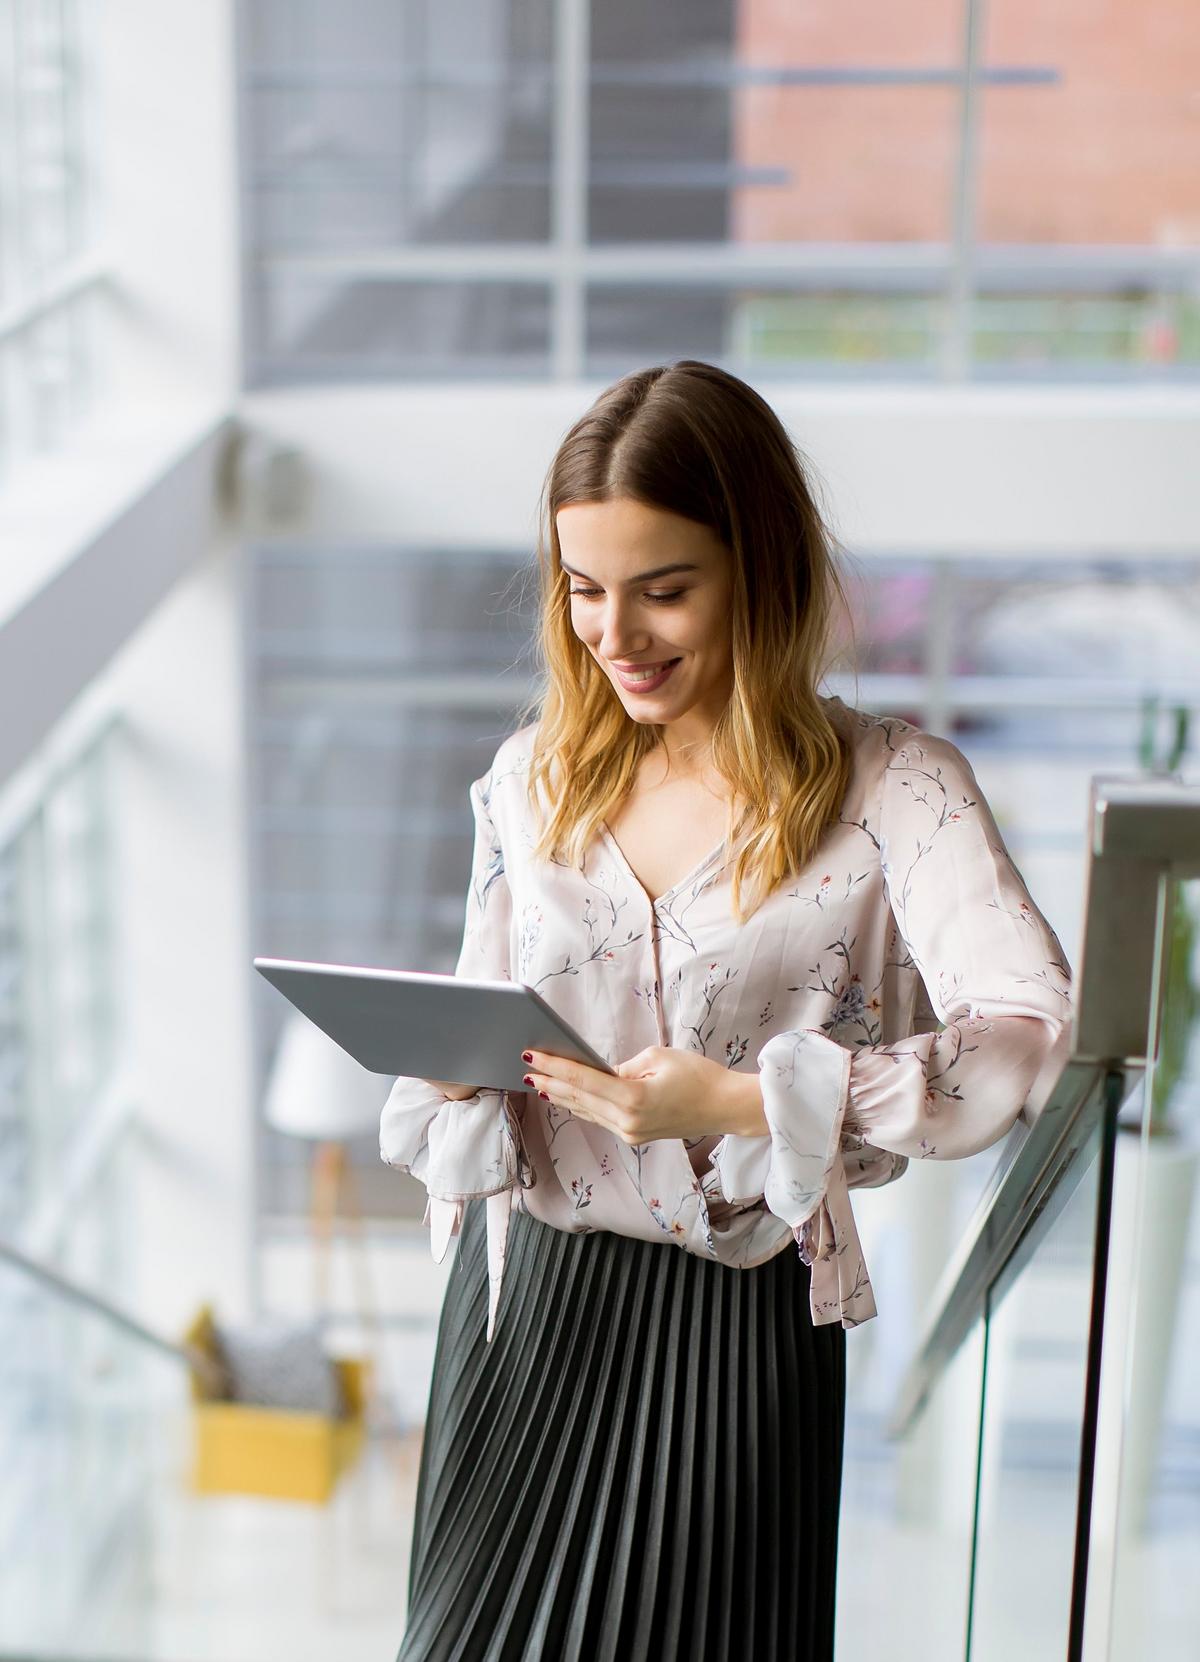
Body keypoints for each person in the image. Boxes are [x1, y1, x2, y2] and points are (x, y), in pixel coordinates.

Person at [380, 359, 1073, 1662]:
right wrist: (462, 1073)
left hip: (732, 1332)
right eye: (585, 589)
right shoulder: (530, 779)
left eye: (664, 589)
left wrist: (748, 1100)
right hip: (526, 1313)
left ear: (759, 569)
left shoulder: (896, 789)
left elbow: (1025, 1033)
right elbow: (484, 1002)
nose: (615, 635)